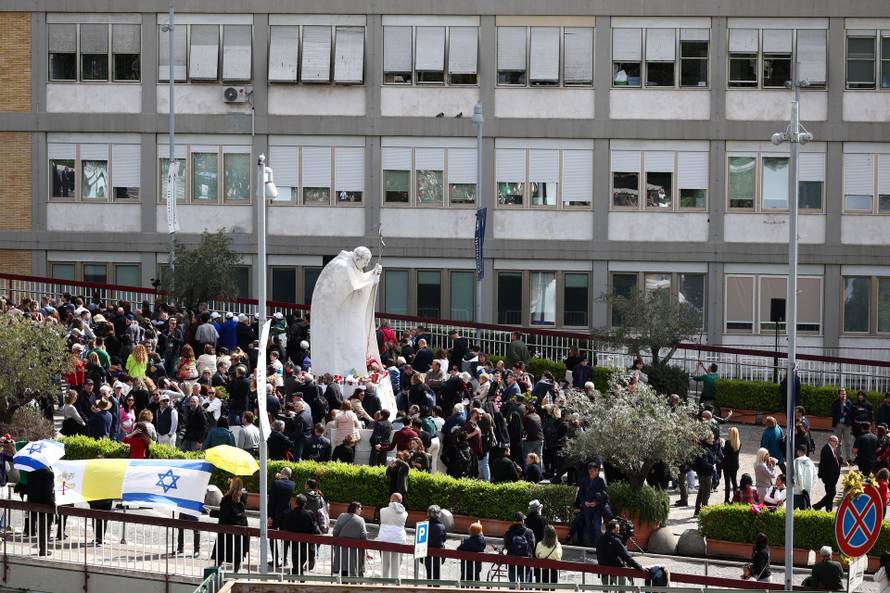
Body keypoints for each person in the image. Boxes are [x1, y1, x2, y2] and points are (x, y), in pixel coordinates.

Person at [568, 461, 610, 548]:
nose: (592, 472)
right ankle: (590, 546)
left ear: (597, 471)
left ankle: (597, 546)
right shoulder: (584, 480)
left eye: (594, 470)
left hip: (596, 508)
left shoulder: (600, 481)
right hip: (587, 508)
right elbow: (581, 494)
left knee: (596, 526)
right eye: (590, 470)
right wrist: (585, 502)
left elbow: (604, 495)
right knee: (588, 526)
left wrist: (596, 502)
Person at [597, 519, 646, 589]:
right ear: (613, 530)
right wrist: (639, 567)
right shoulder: (616, 540)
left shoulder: (600, 539)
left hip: (604, 572)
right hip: (616, 571)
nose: (619, 531)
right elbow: (626, 557)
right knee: (622, 590)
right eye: (618, 529)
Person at [279, 493, 321, 575]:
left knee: (296, 559)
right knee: (302, 559)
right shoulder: (309, 514)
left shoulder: (289, 514)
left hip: (293, 542)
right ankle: (298, 575)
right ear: (305, 503)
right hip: (305, 542)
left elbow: (285, 526)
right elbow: (313, 528)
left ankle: (295, 574)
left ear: (296, 503)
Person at [213, 478, 248, 573]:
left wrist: (212, 513)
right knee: (237, 550)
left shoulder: (226, 499)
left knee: (221, 551)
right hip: (239, 528)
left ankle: (216, 571)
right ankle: (235, 573)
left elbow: (224, 514)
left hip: (225, 528)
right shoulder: (243, 497)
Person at [376, 493, 408, 580]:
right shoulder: (405, 513)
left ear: (391, 499)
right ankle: (395, 584)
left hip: (385, 539)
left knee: (385, 565)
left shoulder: (383, 510)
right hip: (399, 540)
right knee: (396, 565)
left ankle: (385, 583)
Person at [269, 468, 296, 568]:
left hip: (275, 514)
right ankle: (284, 560)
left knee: (272, 536)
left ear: (282, 473)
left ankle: (275, 559)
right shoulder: (292, 484)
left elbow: (272, 501)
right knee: (284, 538)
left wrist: (269, 515)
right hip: (286, 514)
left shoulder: (275, 483)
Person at [26, 467, 55, 557]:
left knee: (40, 527)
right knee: (46, 527)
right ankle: (43, 550)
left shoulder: (31, 472)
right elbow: (47, 491)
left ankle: (42, 548)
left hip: (33, 504)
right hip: (45, 505)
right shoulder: (49, 474)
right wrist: (52, 503)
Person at [503, 512, 535, 585]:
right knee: (524, 585)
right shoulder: (529, 532)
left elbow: (506, 546)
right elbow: (532, 546)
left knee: (512, 585)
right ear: (522, 520)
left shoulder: (508, 532)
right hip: (526, 562)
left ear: (514, 521)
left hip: (512, 561)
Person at [813, 435, 842, 511]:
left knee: (830, 494)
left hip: (832, 477)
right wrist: (822, 475)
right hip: (829, 477)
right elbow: (823, 464)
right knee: (832, 493)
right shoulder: (826, 450)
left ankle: (828, 509)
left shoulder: (831, 449)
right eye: (836, 442)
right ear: (831, 441)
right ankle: (818, 506)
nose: (837, 444)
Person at [424, 505, 447, 581]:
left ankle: (429, 588)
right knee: (436, 573)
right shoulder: (441, 526)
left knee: (429, 573)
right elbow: (444, 539)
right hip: (438, 554)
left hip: (426, 553)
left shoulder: (424, 524)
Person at [832, 388, 854, 464]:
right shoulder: (835, 402)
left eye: (844, 394)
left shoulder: (849, 402)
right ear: (839, 395)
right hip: (838, 424)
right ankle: (838, 457)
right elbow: (834, 413)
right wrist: (842, 414)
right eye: (842, 394)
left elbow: (851, 412)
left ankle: (849, 458)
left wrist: (845, 406)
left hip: (847, 425)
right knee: (837, 442)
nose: (843, 395)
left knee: (847, 442)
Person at [793, 443, 816, 510]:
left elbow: (798, 475)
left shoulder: (796, 461)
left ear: (799, 451)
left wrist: (801, 488)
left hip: (797, 491)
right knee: (805, 511)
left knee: (792, 511)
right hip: (807, 491)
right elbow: (815, 476)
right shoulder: (811, 462)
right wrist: (810, 488)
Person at [723, 426, 741, 503]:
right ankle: (736, 498)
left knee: (727, 483)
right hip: (734, 465)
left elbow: (725, 453)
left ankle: (727, 499)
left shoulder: (728, 442)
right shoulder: (739, 443)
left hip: (727, 465)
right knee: (734, 482)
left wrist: (722, 447)